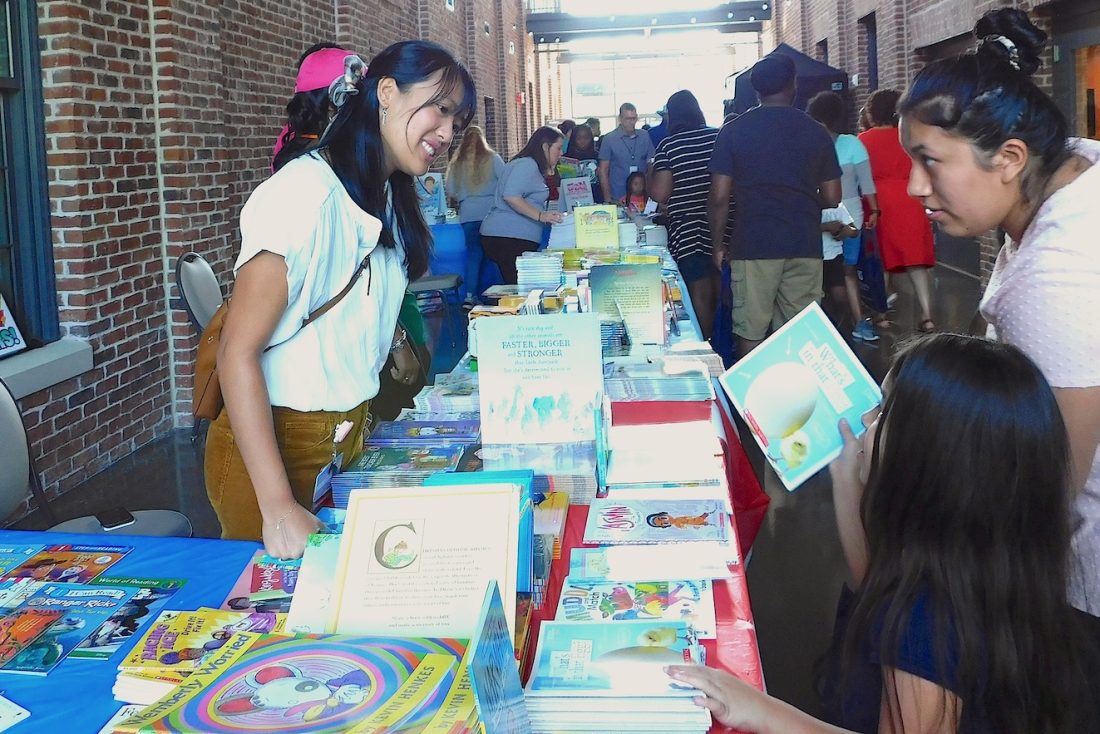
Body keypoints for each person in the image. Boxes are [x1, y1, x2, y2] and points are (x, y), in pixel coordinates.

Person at [668, 334, 1100, 733]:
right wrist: (845, 478)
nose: (867, 422)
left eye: (884, 412)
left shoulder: (922, 624)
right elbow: (875, 583)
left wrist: (761, 708)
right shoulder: (993, 569)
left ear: (926, 458)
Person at [205, 41, 476, 560]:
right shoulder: (304, 193)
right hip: (273, 452)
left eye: (456, 121)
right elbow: (236, 353)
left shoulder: (388, 195)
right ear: (388, 93)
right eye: (440, 109)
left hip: (347, 439)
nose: (446, 133)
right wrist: (278, 508)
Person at [898, 7, 1100, 615]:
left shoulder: (1054, 278)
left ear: (1010, 159)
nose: (914, 186)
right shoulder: (1077, 166)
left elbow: (1051, 485)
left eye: (930, 159)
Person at [708, 53, 842, 357]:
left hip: (753, 245)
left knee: (750, 332)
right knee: (799, 333)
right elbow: (833, 196)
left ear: (756, 90)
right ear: (793, 84)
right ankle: (796, 402)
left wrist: (718, 245)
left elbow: (719, 196)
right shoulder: (816, 131)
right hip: (804, 244)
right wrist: (803, 196)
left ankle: (751, 403)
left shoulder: (733, 131)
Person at [859, 89, 937, 333]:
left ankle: (880, 314)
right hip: (909, 199)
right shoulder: (909, 135)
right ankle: (927, 316)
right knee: (916, 263)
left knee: (879, 260)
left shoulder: (864, 140)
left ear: (873, 112)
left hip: (878, 203)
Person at [807, 92, 882, 342]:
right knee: (843, 271)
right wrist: (875, 210)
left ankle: (844, 322)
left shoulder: (810, 143)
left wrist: (874, 210)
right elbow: (867, 183)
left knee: (833, 271)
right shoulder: (852, 144)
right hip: (846, 215)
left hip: (828, 215)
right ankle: (854, 322)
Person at [648, 89, 723, 340]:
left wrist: (651, 171)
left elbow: (660, 194)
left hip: (689, 226)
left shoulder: (669, 145)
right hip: (724, 223)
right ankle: (726, 345)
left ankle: (708, 346)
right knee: (725, 289)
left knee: (699, 291)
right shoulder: (717, 136)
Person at [480, 126, 566, 284]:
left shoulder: (530, 165)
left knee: (518, 286)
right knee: (518, 288)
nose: (561, 153)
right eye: (558, 148)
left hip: (512, 236)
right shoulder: (527, 164)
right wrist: (541, 216)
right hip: (508, 237)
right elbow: (511, 196)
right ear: (545, 146)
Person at [446, 125, 504, 306]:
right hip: (491, 213)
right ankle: (498, 295)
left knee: (473, 255)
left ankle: (470, 295)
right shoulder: (493, 158)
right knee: (495, 254)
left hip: (468, 214)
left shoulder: (456, 164)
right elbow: (505, 181)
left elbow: (451, 191)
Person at [598, 103, 655, 203]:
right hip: (618, 195)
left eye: (633, 118)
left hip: (642, 196)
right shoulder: (609, 139)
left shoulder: (645, 136)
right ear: (620, 119)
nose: (631, 122)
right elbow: (603, 170)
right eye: (627, 119)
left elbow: (651, 164)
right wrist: (607, 198)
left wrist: (650, 191)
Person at [566, 123, 601, 203]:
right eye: (578, 138)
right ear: (573, 139)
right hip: (573, 198)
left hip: (596, 197)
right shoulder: (566, 158)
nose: (582, 141)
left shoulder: (598, 156)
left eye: (586, 138)